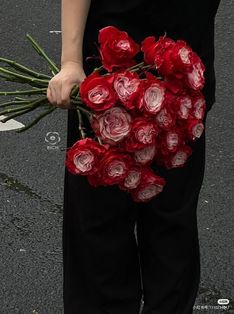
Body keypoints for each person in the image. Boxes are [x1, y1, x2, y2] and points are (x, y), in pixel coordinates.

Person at [47, 1, 221, 313]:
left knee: (171, 223)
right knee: (101, 222)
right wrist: (71, 61)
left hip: (184, 65)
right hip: (110, 64)